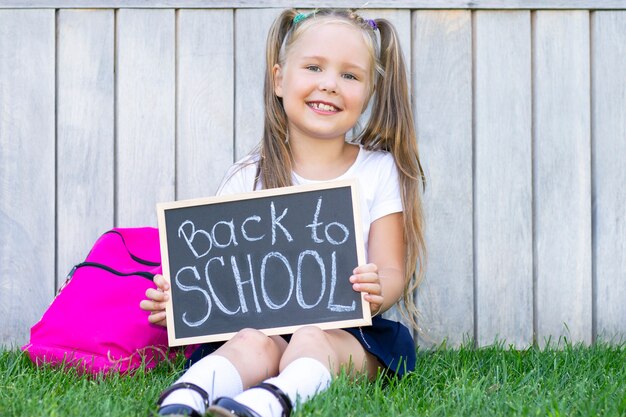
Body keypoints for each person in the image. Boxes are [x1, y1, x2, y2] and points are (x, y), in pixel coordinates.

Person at [140, 8, 426, 417]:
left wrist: (379, 289)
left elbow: (393, 268)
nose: (329, 85)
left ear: (369, 91)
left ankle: (270, 401)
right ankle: (185, 396)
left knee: (312, 338)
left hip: (348, 333)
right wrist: (182, 301)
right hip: (259, 328)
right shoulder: (248, 176)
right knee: (250, 343)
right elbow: (217, 273)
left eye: (350, 75)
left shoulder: (378, 171)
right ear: (279, 79)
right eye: (313, 67)